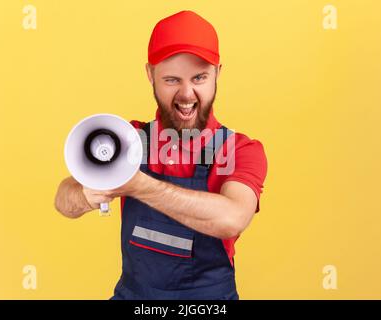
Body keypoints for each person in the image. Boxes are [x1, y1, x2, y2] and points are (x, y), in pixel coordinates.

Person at [54, 10, 268, 300]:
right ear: (150, 75)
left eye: (199, 77)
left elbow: (232, 218)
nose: (187, 94)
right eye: (171, 80)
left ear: (218, 73)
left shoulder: (239, 149)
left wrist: (138, 185)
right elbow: (64, 200)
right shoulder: (129, 139)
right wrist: (85, 196)